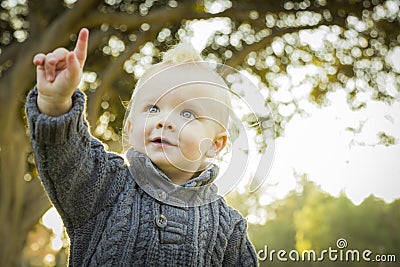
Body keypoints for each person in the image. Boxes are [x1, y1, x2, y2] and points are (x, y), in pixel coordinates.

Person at [26, 28, 258, 266]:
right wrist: (55, 102)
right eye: (153, 109)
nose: (164, 120)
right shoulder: (105, 185)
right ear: (129, 127)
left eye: (188, 113)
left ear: (215, 145)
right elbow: (69, 157)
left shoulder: (229, 227)